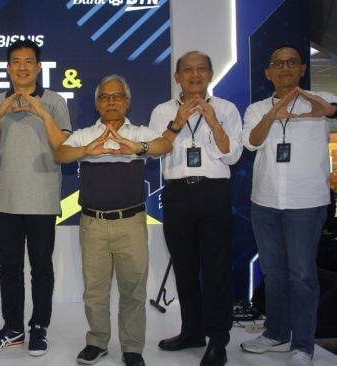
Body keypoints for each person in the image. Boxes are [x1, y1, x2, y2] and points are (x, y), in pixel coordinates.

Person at [55, 75, 172, 366]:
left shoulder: (139, 133)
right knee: (95, 290)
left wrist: (138, 149)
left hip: (131, 223)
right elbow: (60, 153)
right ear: (97, 104)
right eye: (105, 97)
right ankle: (97, 342)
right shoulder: (85, 134)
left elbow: (163, 146)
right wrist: (87, 150)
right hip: (93, 224)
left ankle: (132, 348)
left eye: (117, 96)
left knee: (133, 289)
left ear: (127, 102)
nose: (111, 102)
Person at [240, 45, 337, 366]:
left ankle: (304, 345)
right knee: (275, 273)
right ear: (268, 72)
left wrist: (331, 111)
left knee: (302, 276)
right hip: (264, 203)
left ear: (302, 69)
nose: (284, 67)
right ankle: (277, 333)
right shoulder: (256, 109)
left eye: (291, 62)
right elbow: (252, 141)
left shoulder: (321, 101)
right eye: (277, 63)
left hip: (306, 204)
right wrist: (272, 115)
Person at [148, 50, 243, 366]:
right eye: (187, 69)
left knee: (216, 270)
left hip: (213, 193)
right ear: (177, 77)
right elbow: (155, 151)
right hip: (176, 195)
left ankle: (218, 341)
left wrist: (213, 121)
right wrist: (176, 124)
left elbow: (231, 156)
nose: (195, 74)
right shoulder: (162, 110)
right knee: (184, 268)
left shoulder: (227, 109)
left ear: (211, 74)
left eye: (202, 68)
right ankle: (191, 331)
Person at [0, 39, 72, 357]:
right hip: (6, 201)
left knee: (42, 269)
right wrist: (1, 112)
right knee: (9, 269)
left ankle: (39, 328)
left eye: (28, 61)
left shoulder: (56, 101)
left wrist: (41, 113)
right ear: (8, 68)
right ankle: (13, 328)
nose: (22, 67)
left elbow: (63, 150)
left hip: (43, 201)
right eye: (15, 61)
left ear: (38, 67)